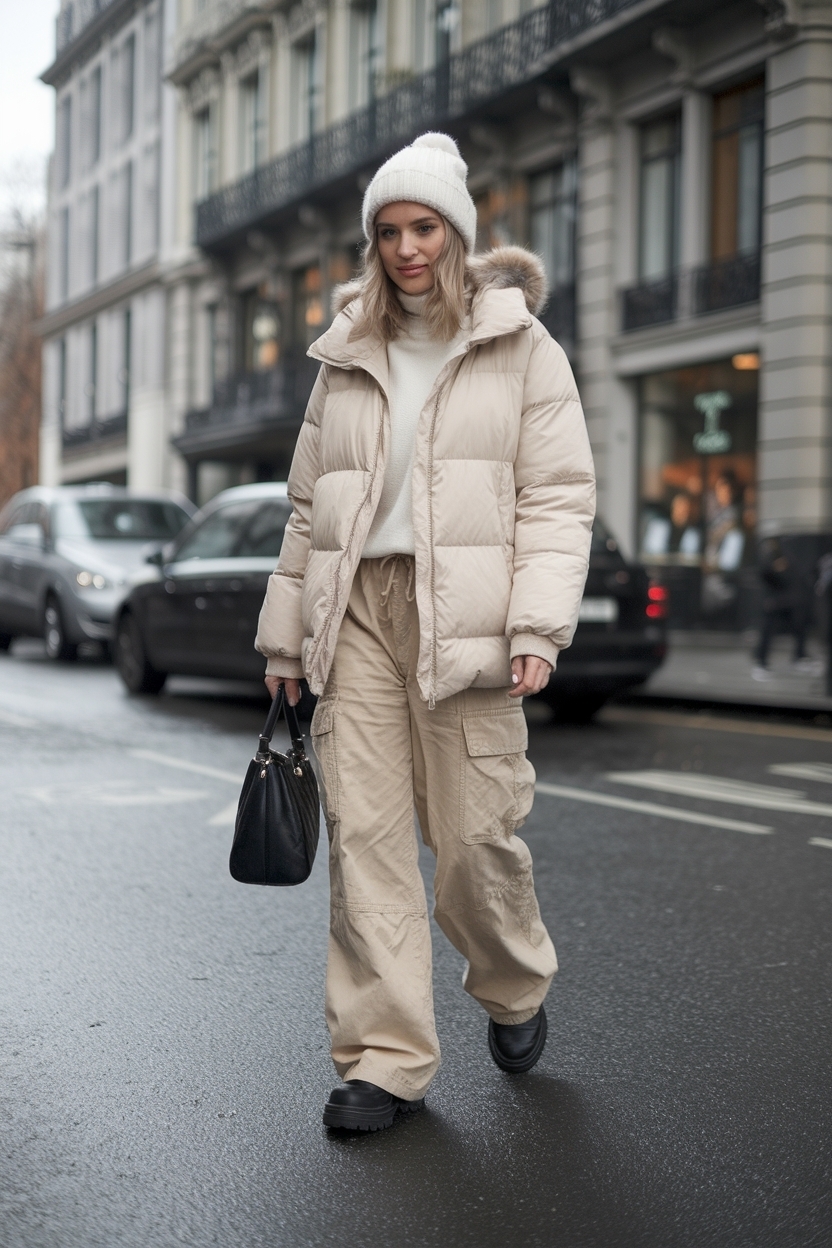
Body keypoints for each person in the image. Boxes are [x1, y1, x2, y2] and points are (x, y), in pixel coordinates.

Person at [255, 133, 596, 1132]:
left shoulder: (519, 344)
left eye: (422, 226)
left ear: (454, 231)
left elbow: (558, 495)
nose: (406, 247)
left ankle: (513, 980)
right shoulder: (345, 353)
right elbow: (308, 510)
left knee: (471, 841)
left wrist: (537, 622)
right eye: (389, 230)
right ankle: (383, 1060)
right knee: (363, 845)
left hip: (470, 615)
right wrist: (287, 642)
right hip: (356, 611)